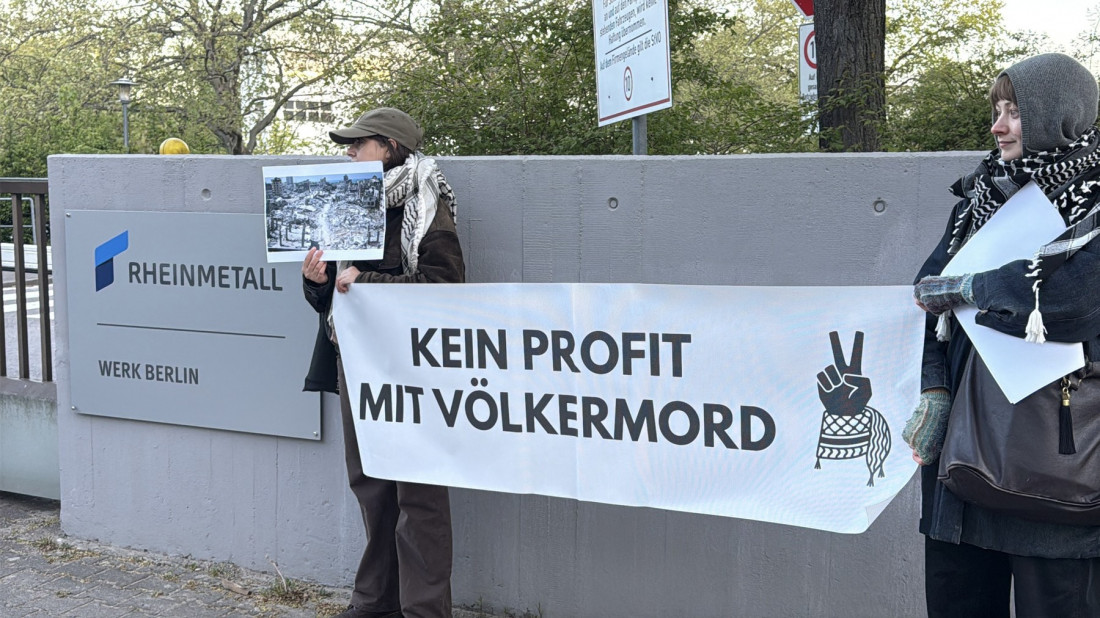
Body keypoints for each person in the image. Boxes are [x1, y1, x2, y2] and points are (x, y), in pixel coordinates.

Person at [904, 53, 1100, 617]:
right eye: (997, 111)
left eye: (1014, 112)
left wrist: (976, 286)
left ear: (1059, 114)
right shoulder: (980, 195)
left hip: (1052, 465)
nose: (997, 126)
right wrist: (934, 387)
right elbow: (929, 294)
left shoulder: (1092, 202)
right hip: (960, 467)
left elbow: (1077, 302)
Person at [300, 107, 464, 618]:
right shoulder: (344, 201)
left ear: (390, 148)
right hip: (357, 361)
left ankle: (424, 610)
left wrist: (365, 281)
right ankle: (375, 603)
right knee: (371, 486)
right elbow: (330, 300)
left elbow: (444, 287)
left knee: (419, 494)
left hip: (413, 368)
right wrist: (317, 281)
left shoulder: (426, 201)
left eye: (360, 143)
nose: (349, 152)